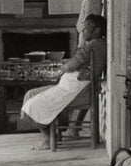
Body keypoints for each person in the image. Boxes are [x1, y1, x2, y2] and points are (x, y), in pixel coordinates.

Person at [20, 14, 106, 150]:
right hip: (69, 87)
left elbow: (71, 66)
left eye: (85, 29)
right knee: (30, 94)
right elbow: (76, 62)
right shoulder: (95, 44)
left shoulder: (94, 45)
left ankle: (49, 138)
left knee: (32, 105)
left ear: (97, 30)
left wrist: (62, 68)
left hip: (76, 91)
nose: (82, 31)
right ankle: (52, 134)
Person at [63, 0, 104, 138]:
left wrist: (83, 49)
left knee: (82, 87)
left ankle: (75, 127)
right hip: (84, 46)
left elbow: (90, 27)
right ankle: (74, 127)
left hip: (88, 49)